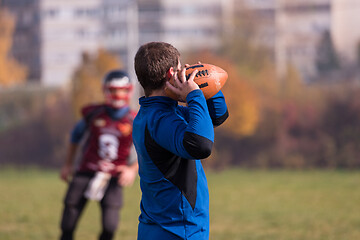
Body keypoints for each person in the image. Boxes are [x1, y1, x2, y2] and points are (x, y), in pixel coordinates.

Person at [133, 41, 229, 240]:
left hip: (159, 228)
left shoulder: (152, 114)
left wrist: (205, 83)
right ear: (171, 74)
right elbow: (201, 144)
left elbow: (216, 116)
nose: (184, 72)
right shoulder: (162, 120)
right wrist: (193, 94)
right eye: (180, 68)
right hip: (178, 230)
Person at [59, 70, 139, 240]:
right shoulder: (93, 113)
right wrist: (68, 164)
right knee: (68, 222)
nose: (117, 94)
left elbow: (148, 149)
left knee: (110, 227)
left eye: (122, 90)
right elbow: (75, 137)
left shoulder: (135, 119)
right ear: (105, 90)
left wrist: (132, 168)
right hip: (87, 169)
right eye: (113, 90)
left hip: (113, 175)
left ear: (129, 90)